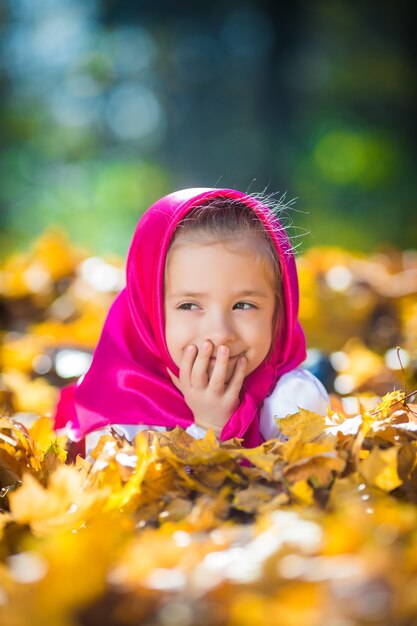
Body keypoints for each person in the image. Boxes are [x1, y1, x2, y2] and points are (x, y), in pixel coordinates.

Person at [54, 188, 328, 457]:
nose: (220, 333)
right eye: (189, 305)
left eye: (244, 305)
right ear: (148, 313)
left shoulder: (292, 404)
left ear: (279, 311)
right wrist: (209, 430)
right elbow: (135, 497)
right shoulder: (117, 413)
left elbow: (311, 490)